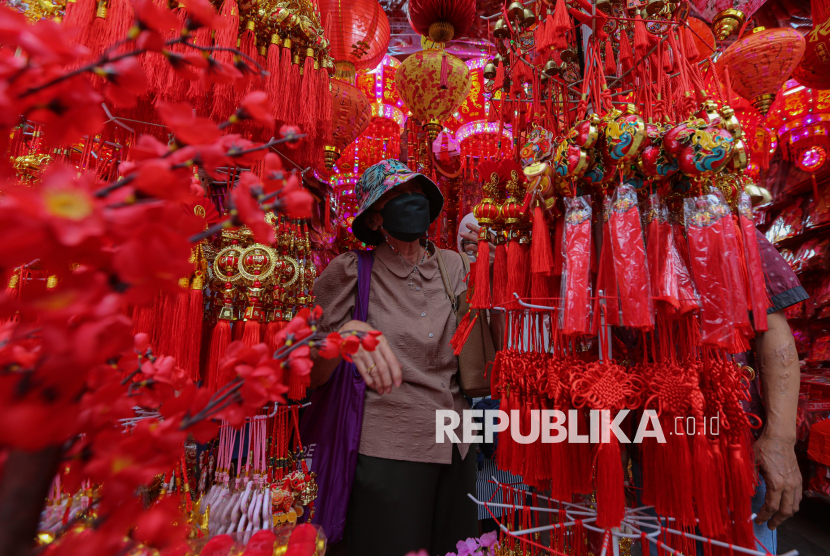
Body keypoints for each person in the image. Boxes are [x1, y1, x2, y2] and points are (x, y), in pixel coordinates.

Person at [309, 160, 501, 556]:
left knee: (458, 548)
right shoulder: (352, 271)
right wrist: (342, 338)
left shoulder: (454, 265)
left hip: (456, 441)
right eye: (396, 198)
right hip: (388, 447)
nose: (410, 202)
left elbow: (492, 339)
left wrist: (501, 269)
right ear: (375, 219)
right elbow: (310, 370)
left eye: (416, 194)